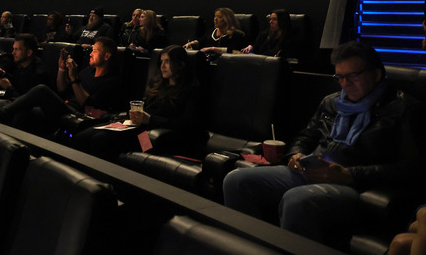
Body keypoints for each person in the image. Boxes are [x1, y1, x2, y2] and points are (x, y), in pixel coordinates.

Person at [223, 42, 424, 249]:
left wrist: (349, 174)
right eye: (340, 77)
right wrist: (296, 154)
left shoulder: (403, 110)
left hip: (353, 184)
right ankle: (249, 248)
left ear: (376, 74)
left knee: (297, 200)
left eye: (353, 76)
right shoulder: (331, 102)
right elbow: (305, 136)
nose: (345, 83)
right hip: (310, 170)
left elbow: (411, 168)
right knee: (236, 180)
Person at [74, 46, 205, 159]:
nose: (162, 66)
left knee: (101, 140)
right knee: (83, 136)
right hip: (136, 128)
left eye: (167, 62)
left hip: (152, 139)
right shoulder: (157, 85)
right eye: (161, 62)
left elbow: (186, 124)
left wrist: (150, 119)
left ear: (181, 64)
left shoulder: (191, 90)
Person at [0, 37, 122, 133]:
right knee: (22, 114)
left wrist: (74, 78)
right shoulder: (88, 71)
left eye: (95, 51)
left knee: (41, 90)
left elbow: (86, 103)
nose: (90, 53)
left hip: (79, 115)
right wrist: (61, 70)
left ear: (107, 56)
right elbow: (62, 88)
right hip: (65, 105)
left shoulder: (111, 81)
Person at [0, 34, 49, 113]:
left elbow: (24, 99)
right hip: (13, 100)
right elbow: (17, 83)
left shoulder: (38, 73)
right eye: (13, 49)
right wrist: (3, 74)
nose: (13, 53)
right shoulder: (21, 65)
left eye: (17, 50)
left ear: (29, 52)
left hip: (25, 107)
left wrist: (8, 87)